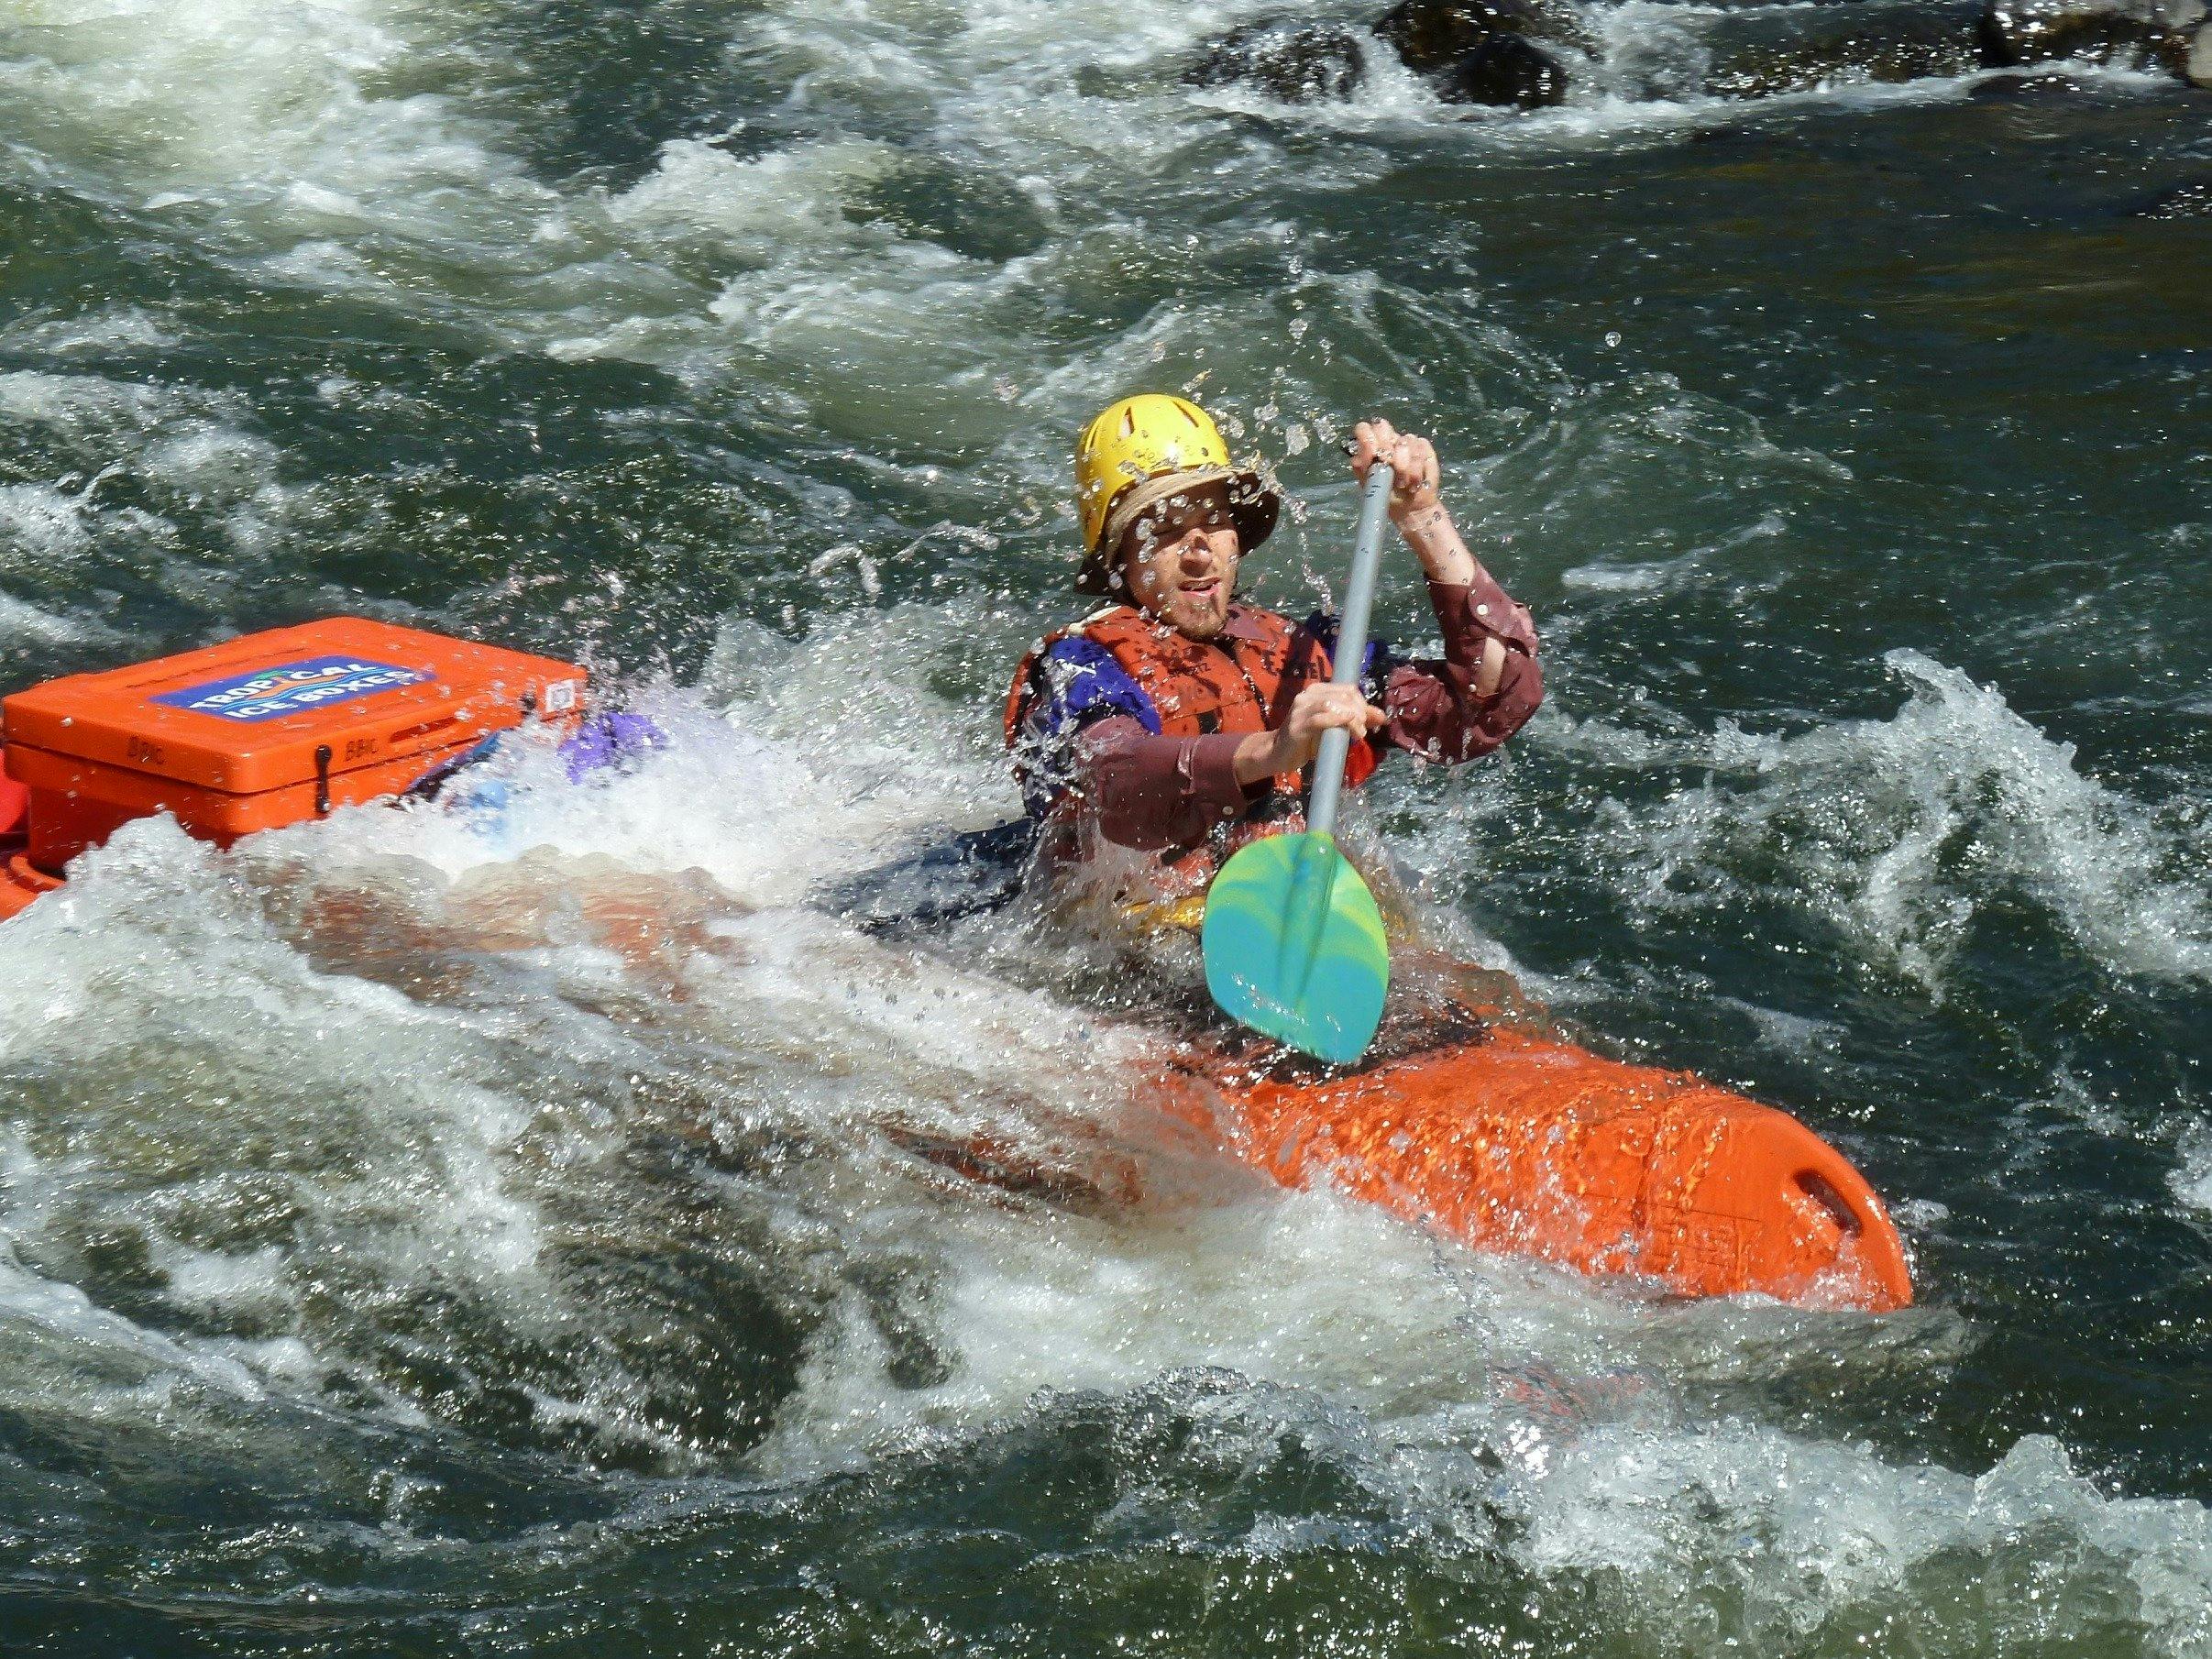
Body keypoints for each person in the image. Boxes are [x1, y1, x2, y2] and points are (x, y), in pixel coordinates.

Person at [1005, 393, 1543, 906]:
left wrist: (1422, 518)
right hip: (1136, 947)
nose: (1200, 554)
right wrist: (1271, 751)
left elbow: (1487, 702)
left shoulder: (1299, 654)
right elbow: (1114, 779)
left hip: (1288, 921)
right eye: (1166, 530)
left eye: (1213, 520)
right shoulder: (1081, 665)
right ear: (1119, 556)